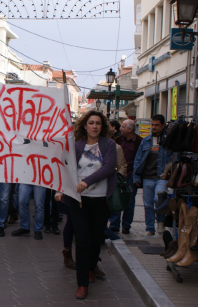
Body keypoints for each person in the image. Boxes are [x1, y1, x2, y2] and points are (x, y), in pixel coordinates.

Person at [55, 110, 117, 300]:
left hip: (100, 200)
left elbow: (108, 168)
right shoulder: (76, 146)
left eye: (98, 123)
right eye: (91, 123)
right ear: (85, 125)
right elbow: (66, 169)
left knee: (95, 239)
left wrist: (87, 182)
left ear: (102, 126)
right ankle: (82, 284)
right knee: (81, 241)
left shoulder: (109, 144)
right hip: (78, 200)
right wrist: (61, 189)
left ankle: (91, 268)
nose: (94, 126)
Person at [133, 114, 172, 236]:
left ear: (163, 125)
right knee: (148, 204)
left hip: (162, 177)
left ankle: (160, 222)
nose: (154, 127)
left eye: (156, 125)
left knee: (158, 199)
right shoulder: (146, 140)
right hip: (147, 177)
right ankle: (150, 228)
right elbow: (138, 159)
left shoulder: (168, 141)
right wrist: (136, 177)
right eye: (152, 125)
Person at [109, 119, 143, 234]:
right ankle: (114, 225)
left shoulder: (139, 142)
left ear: (130, 129)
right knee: (116, 199)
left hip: (132, 175)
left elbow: (141, 160)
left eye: (123, 126)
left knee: (129, 201)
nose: (120, 129)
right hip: (118, 174)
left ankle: (126, 226)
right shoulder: (117, 140)